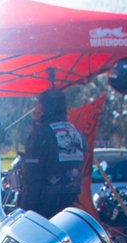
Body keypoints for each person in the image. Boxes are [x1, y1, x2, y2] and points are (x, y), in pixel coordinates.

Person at [16, 87, 87, 219]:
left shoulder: (41, 134)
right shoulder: (76, 132)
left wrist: (24, 210)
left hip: (43, 207)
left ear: (43, 107)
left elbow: (32, 178)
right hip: (70, 204)